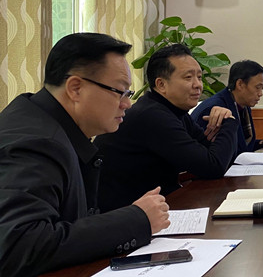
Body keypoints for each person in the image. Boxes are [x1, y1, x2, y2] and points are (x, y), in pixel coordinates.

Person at [0, 33, 169, 277]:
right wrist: (137, 219)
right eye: (120, 91)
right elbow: (18, 246)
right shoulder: (36, 143)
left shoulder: (41, 118)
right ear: (75, 88)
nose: (127, 104)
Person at [95, 44, 239, 212]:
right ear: (161, 84)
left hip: (154, 207)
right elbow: (213, 166)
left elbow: (218, 156)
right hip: (124, 215)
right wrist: (229, 122)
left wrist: (225, 120)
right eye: (188, 77)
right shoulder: (152, 115)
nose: (198, 85)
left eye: (199, 77)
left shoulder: (175, 111)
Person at [191, 59, 263, 160]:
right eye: (257, 87)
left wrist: (262, 143)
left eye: (262, 88)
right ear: (240, 84)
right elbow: (211, 152)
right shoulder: (216, 109)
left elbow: (240, 147)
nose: (260, 93)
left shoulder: (243, 106)